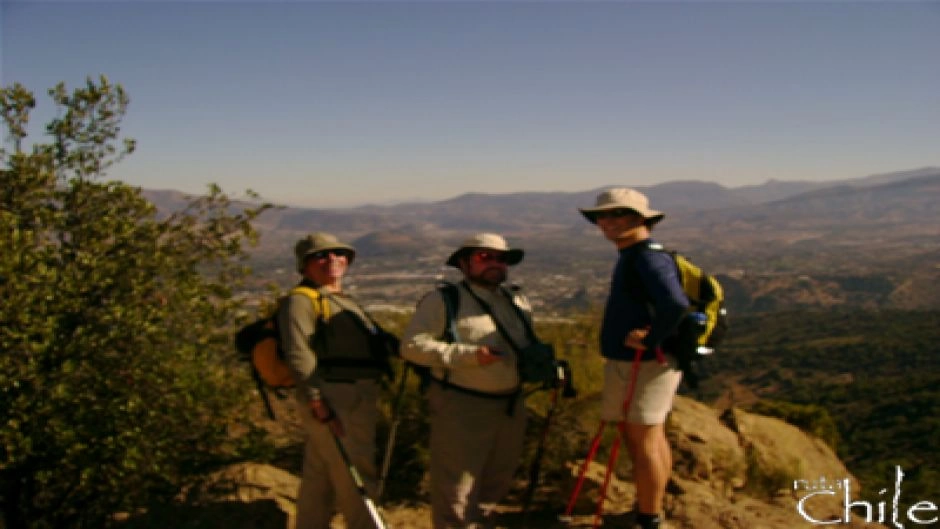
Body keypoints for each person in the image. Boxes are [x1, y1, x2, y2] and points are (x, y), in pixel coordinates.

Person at [401, 233, 533, 529]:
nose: (495, 264)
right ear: (464, 263)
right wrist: (468, 356)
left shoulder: (516, 299)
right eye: (484, 257)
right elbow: (411, 346)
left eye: (501, 258)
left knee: (497, 478)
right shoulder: (444, 300)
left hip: (510, 403)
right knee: (457, 486)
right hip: (461, 404)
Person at [579, 188, 687, 529]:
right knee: (647, 438)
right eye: (602, 216)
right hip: (641, 363)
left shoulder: (646, 257)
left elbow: (676, 304)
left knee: (644, 441)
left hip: (646, 364)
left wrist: (653, 339)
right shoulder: (634, 255)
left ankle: (649, 518)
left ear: (640, 219)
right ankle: (649, 509)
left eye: (617, 215)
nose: (607, 222)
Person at [279, 232, 388, 529]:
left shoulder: (338, 299)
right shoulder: (300, 301)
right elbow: (298, 352)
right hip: (336, 396)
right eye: (320, 256)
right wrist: (316, 399)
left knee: (322, 474)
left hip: (347, 394)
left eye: (338, 254)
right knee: (356, 472)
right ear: (304, 265)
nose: (332, 260)